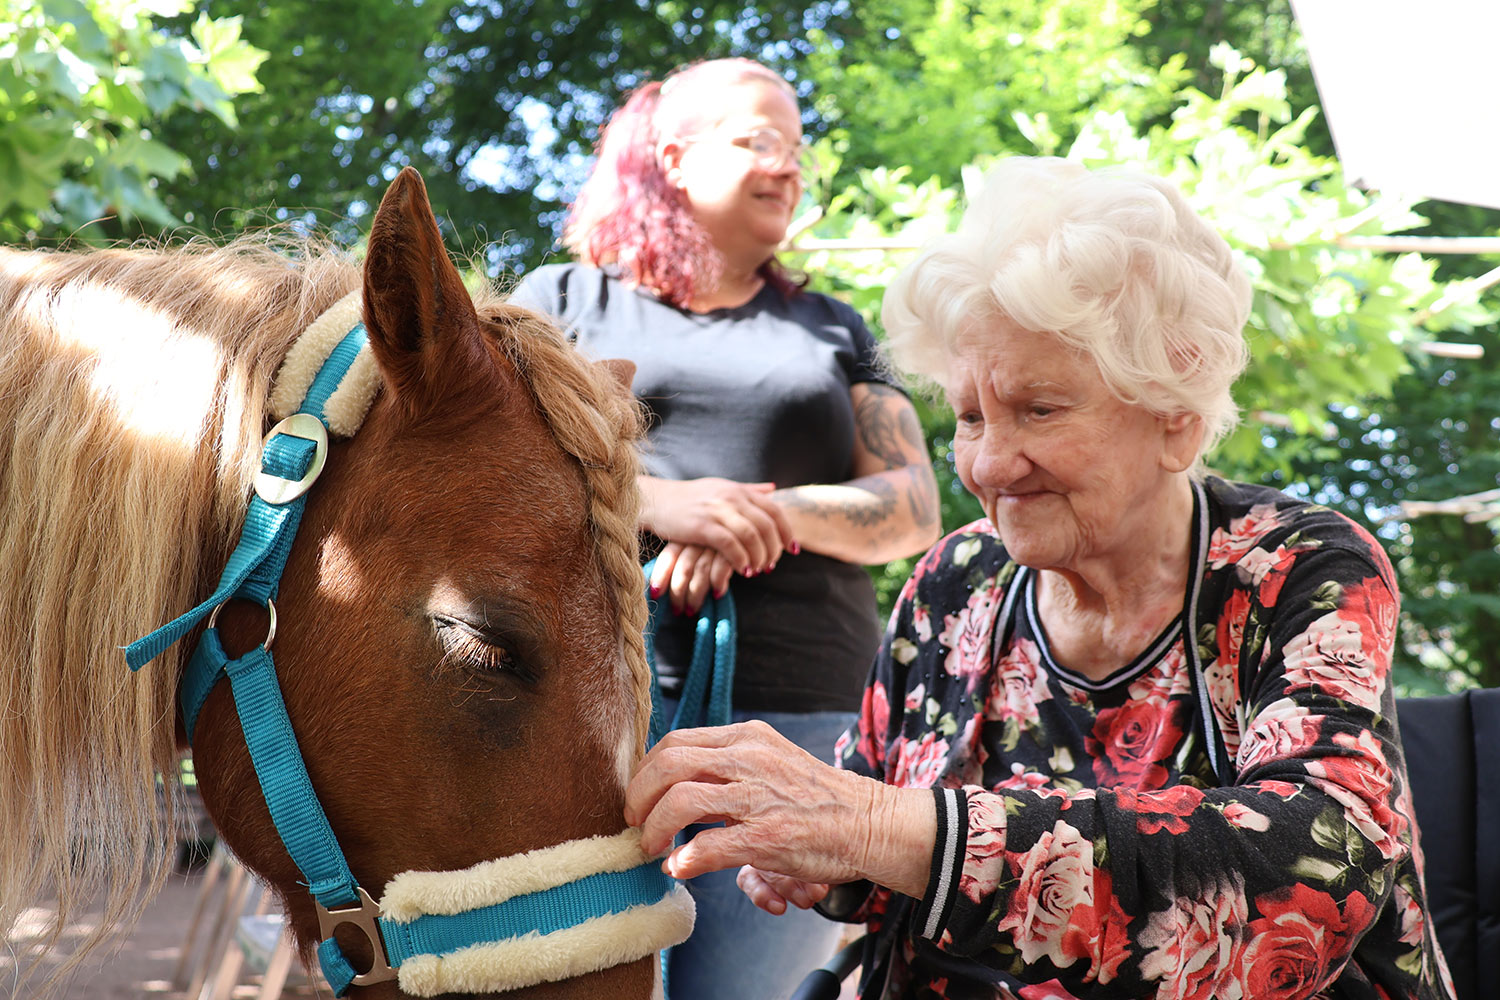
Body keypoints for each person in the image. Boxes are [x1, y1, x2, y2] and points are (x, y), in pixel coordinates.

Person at [624, 157, 1458, 1000]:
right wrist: (818, 858)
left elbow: (1318, 869)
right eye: (971, 415)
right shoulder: (955, 581)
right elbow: (875, 811)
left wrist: (882, 831)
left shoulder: (1296, 570)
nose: (987, 463)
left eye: (1040, 410)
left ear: (1175, 416)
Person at [511, 58, 941, 1000]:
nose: (788, 165)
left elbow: (913, 505)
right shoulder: (558, 305)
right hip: (584, 707)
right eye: (758, 140)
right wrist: (659, 505)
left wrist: (759, 513)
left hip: (803, 708)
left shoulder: (835, 327)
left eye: (795, 146)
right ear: (673, 157)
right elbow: (486, 474)